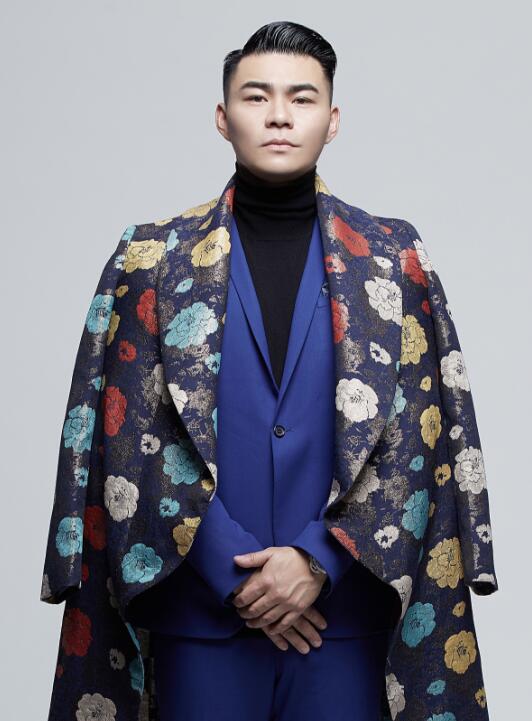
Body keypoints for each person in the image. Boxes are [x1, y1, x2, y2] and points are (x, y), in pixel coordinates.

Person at [41, 20, 499, 721]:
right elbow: (131, 437)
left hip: (347, 622)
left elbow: (417, 435)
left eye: (301, 98)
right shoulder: (151, 258)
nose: (279, 115)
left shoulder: (392, 258)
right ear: (222, 118)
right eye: (257, 97)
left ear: (333, 119)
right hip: (199, 620)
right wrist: (237, 574)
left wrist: (318, 561)